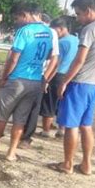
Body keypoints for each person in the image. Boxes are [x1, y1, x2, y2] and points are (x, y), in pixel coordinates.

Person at [0, 2, 53, 161]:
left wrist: (4, 77)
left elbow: (14, 58)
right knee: (20, 119)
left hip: (16, 80)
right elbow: (49, 56)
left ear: (25, 14)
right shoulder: (47, 31)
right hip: (34, 81)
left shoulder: (24, 31)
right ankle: (11, 153)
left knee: (2, 116)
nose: (16, 21)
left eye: (17, 17)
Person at [50, 0, 95, 175]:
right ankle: (86, 165)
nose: (77, 18)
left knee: (71, 125)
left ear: (88, 11)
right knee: (86, 125)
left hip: (79, 83)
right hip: (94, 85)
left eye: (78, 14)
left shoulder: (89, 29)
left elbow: (79, 60)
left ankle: (67, 164)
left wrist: (64, 82)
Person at [19, 10, 59, 148]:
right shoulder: (27, 30)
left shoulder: (50, 33)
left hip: (38, 74)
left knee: (34, 107)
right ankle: (20, 135)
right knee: (24, 105)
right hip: (26, 73)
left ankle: (26, 137)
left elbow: (54, 57)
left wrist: (45, 77)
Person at [41, 18, 79, 137]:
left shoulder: (61, 43)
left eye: (55, 31)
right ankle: (61, 130)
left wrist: (46, 80)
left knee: (49, 103)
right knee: (63, 103)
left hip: (58, 75)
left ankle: (46, 130)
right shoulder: (77, 40)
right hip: (70, 76)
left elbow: (56, 63)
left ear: (61, 29)